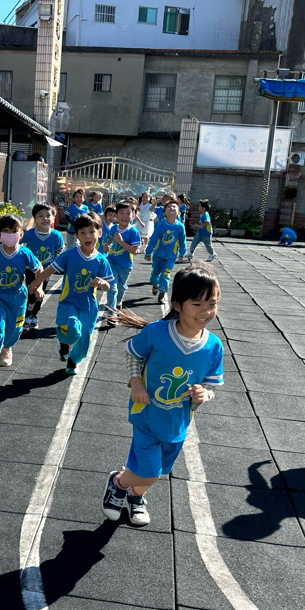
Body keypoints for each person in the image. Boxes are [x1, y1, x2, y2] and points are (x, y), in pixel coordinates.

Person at [101, 265, 223, 526]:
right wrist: (136, 382)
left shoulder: (213, 346)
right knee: (150, 471)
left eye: (212, 304)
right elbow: (133, 354)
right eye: (197, 304)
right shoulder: (157, 332)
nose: (206, 311)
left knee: (157, 470)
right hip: (146, 415)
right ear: (177, 304)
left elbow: (212, 387)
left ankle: (136, 495)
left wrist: (204, 395)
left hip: (177, 423)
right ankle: (118, 484)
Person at [29, 212, 113, 375]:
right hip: (69, 302)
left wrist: (103, 283)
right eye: (82, 232)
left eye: (91, 232)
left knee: (85, 340)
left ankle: (73, 360)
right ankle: (63, 342)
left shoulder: (101, 260)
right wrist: (35, 283)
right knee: (72, 330)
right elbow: (50, 270)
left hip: (89, 306)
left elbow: (108, 286)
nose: (87, 236)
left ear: (99, 233)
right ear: (77, 236)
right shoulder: (69, 255)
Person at [0, 214, 42, 375]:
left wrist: (38, 287)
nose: (10, 234)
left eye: (14, 231)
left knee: (16, 327)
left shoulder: (24, 253)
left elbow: (39, 268)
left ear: (21, 234)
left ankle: (7, 349)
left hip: (18, 296)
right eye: (6, 231)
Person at [21, 203, 64, 330]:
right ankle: (27, 315)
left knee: (40, 294)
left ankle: (34, 315)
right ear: (34, 219)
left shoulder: (56, 235)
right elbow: (17, 244)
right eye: (40, 216)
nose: (45, 218)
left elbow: (60, 249)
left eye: (48, 216)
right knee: (31, 291)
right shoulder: (29, 234)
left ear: (53, 218)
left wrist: (54, 262)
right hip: (30, 270)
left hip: (46, 271)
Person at [145, 202, 186, 304]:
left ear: (179, 213)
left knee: (165, 274)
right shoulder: (161, 225)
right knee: (155, 274)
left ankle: (162, 291)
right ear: (164, 213)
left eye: (174, 206)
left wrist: (181, 254)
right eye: (168, 207)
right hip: (158, 255)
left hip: (171, 257)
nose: (171, 208)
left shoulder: (180, 227)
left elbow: (182, 241)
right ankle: (155, 284)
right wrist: (148, 253)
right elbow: (153, 239)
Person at [104, 200, 141, 313]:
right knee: (112, 287)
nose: (124, 216)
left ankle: (119, 300)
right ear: (116, 215)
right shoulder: (114, 228)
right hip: (112, 262)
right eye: (121, 213)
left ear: (133, 216)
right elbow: (111, 237)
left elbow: (134, 251)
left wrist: (121, 242)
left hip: (125, 265)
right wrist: (107, 245)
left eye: (128, 213)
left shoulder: (133, 232)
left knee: (121, 287)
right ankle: (111, 311)